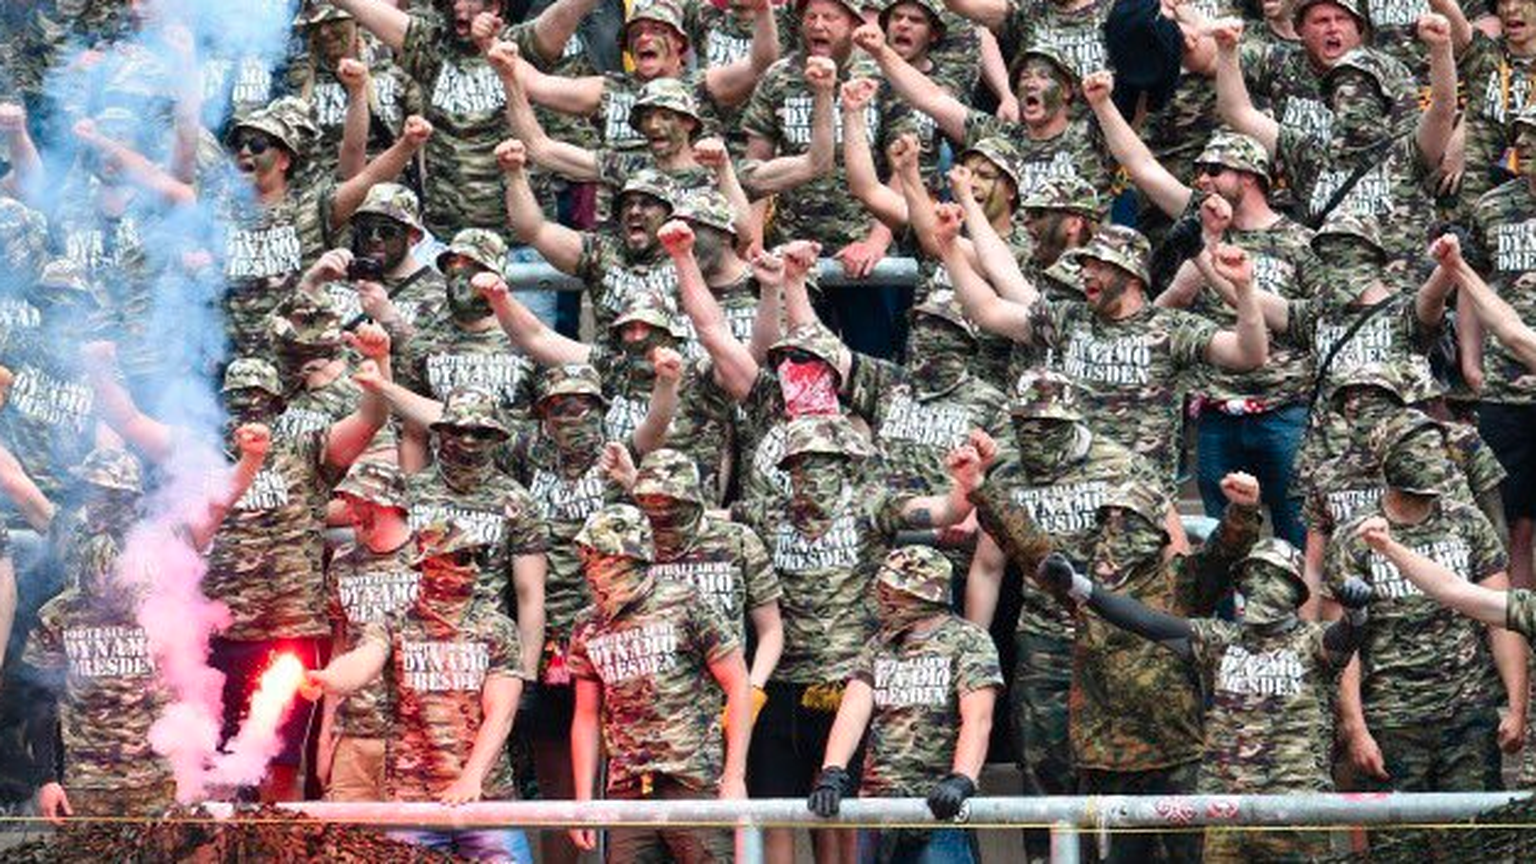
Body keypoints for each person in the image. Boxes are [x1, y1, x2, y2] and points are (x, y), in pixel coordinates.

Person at [82, 322, 391, 802]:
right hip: (218, 632)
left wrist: (380, 366)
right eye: (239, 400)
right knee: (211, 759)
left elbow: (369, 419)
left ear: (279, 404)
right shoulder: (196, 450)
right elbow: (129, 420)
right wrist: (99, 368)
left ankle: (272, 841)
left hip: (290, 625)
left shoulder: (305, 447)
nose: (249, 409)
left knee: (279, 765)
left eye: (260, 400)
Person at [735, 416, 995, 864]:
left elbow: (944, 512)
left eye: (821, 462)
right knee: (779, 808)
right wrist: (629, 484)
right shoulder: (769, 512)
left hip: (851, 673)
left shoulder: (869, 506)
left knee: (846, 817)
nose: (809, 473)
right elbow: (702, 519)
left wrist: (965, 482)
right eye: (798, 464)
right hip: (785, 681)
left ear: (844, 462)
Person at [969, 470, 1263, 863]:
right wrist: (980, 488)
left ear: (1155, 534)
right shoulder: (1085, 589)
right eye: (1109, 520)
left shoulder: (1183, 582)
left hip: (1175, 760)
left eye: (1129, 520)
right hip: (1105, 764)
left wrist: (1242, 510)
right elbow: (1029, 546)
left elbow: (1222, 554)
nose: (1116, 530)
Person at [1036, 540, 1372, 863]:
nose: (1257, 584)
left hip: (1294, 810)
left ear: (1293, 588)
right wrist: (1077, 585)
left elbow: (1346, 638)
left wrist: (1355, 612)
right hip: (1226, 810)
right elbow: (1146, 621)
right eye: (1250, 575)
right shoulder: (1220, 641)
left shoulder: (1312, 643)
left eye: (1269, 575)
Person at [1087, 70, 1316, 544]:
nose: (1203, 178)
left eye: (1215, 169)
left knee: (1296, 533)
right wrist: (1103, 103)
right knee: (1217, 542)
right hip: (1215, 414)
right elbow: (1142, 165)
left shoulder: (1301, 243)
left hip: (1282, 411)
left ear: (1248, 176)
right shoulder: (1200, 222)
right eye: (1200, 170)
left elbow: (1311, 322)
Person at [22, 432, 271, 821]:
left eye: (111, 493)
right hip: (86, 782)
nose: (100, 502)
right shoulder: (60, 605)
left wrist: (251, 461)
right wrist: (46, 778)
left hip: (158, 779)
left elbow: (217, 505)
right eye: (93, 491)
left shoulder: (162, 555)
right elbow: (40, 696)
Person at [940, 200, 1270, 483]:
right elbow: (988, 310)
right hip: (1076, 491)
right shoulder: (1068, 319)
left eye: (1099, 266)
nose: (1086, 274)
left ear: (1132, 275)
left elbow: (1249, 354)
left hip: (1140, 501)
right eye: (1085, 265)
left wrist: (1244, 289)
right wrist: (949, 247)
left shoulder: (1172, 329)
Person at [306, 519, 531, 861]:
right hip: (413, 798)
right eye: (460, 557)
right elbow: (364, 661)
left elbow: (501, 713)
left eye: (477, 557)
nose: (472, 567)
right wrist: (329, 679)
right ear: (427, 563)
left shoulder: (496, 628)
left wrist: (471, 779)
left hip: (485, 796)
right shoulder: (394, 621)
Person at [1325, 410, 1525, 793]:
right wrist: (1355, 728)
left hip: (1468, 711)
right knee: (1402, 829)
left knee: (1473, 828)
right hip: (1391, 716)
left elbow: (1501, 617)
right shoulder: (1355, 536)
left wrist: (1516, 708)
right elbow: (1341, 642)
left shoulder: (1467, 522)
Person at [566, 503, 753, 862]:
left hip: (695, 781)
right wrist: (583, 801)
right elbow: (586, 715)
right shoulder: (587, 625)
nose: (595, 565)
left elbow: (738, 685)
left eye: (605, 555)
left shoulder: (686, 602)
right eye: (590, 554)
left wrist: (734, 776)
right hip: (628, 789)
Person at [806, 545, 1002, 864]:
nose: (884, 597)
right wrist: (833, 771)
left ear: (924, 595)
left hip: (939, 804)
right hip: (879, 804)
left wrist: (962, 779)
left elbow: (978, 719)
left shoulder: (969, 641)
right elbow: (853, 710)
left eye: (894, 590)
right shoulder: (880, 644)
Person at [317, 459, 419, 802]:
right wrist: (326, 734)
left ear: (387, 503)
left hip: (415, 737)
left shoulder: (430, 559)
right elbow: (340, 646)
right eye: (346, 501)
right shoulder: (343, 562)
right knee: (346, 833)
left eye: (357, 502)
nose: (349, 512)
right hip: (354, 733)